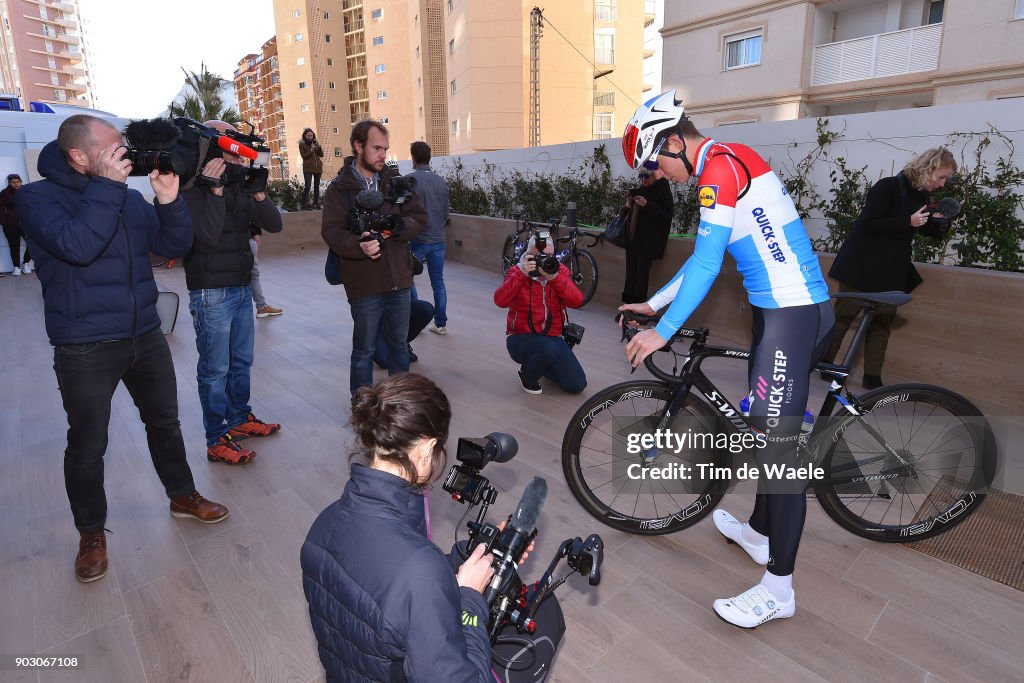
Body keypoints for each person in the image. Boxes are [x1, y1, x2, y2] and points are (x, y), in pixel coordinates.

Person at [619, 91, 834, 628]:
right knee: (767, 433)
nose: (661, 174)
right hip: (778, 310)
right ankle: (761, 533)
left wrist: (662, 331)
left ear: (673, 140)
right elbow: (700, 257)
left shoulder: (719, 167)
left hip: (792, 313)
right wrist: (653, 303)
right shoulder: (723, 160)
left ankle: (779, 589)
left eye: (656, 162)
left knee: (782, 456)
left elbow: (711, 262)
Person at [16, 114, 229, 583]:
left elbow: (173, 245)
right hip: (84, 345)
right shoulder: (35, 199)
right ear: (78, 155)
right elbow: (78, 246)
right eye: (112, 149)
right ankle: (91, 533)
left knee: (166, 425)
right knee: (89, 444)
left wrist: (170, 202)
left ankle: (183, 495)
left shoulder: (129, 198)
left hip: (145, 335)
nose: (123, 156)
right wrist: (109, 189)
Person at [299, 373, 499, 681]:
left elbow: (388, 588)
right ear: (425, 449)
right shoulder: (418, 571)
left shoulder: (323, 524)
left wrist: (460, 558)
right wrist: (470, 599)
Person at [183, 120, 283, 466]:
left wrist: (258, 192)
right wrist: (213, 192)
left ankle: (240, 419)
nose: (242, 154)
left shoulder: (239, 185)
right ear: (213, 148)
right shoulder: (190, 188)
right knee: (215, 370)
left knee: (241, 363)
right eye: (232, 145)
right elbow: (206, 237)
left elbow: (275, 224)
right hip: (211, 292)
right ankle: (215, 438)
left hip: (240, 287)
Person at [825, 148, 957, 389]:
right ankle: (825, 363)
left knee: (882, 322)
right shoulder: (886, 187)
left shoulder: (922, 197)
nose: (942, 183)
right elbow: (868, 224)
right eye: (941, 177)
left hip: (892, 268)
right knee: (842, 318)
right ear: (929, 168)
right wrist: (907, 221)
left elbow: (927, 230)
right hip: (862, 265)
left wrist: (939, 222)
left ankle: (872, 377)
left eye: (946, 179)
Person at [321, 120, 427, 398]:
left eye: (386, 149)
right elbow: (332, 232)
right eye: (377, 148)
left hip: (399, 281)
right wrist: (360, 245)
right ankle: (363, 407)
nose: (383, 155)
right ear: (358, 146)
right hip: (364, 284)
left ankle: (399, 405)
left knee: (399, 347)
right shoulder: (340, 190)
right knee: (364, 350)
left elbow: (419, 218)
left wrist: (397, 227)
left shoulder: (397, 183)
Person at [494, 232, 586, 395]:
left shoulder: (559, 271)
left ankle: (542, 363)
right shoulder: (517, 271)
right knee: (548, 348)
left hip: (551, 337)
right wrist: (522, 274)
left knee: (576, 384)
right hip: (521, 338)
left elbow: (577, 300)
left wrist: (554, 278)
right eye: (540, 256)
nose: (545, 259)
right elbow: (500, 300)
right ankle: (527, 376)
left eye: (549, 255)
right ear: (529, 255)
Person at [408, 141, 451, 335]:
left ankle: (416, 318)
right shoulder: (440, 181)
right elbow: (445, 215)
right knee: (438, 282)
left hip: (418, 240)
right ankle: (440, 323)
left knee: (407, 278)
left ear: (413, 157)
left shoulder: (409, 181)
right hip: (438, 239)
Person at [621, 167, 673, 304]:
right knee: (630, 274)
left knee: (641, 276)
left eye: (647, 176)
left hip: (649, 241)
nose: (643, 179)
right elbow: (624, 215)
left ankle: (637, 309)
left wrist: (647, 205)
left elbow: (666, 215)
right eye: (641, 176)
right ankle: (626, 306)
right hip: (634, 239)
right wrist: (628, 202)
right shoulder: (640, 191)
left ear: (655, 175)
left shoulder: (662, 190)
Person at [374, 295, 434, 368]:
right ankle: (372, 344)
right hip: (374, 312)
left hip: (395, 303)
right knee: (385, 361)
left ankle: (403, 342)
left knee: (426, 309)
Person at [249, 222, 284, 318]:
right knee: (253, 274)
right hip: (245, 237)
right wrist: (255, 232)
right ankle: (261, 306)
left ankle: (261, 306)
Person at [1, 173, 32, 275]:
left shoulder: (26, 191)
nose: (16, 184)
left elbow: (33, 205)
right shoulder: (4, 193)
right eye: (13, 182)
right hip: (10, 224)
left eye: (18, 182)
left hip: (26, 222)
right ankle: (16, 267)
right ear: (9, 183)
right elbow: (0, 209)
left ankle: (26, 263)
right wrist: (3, 222)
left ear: (21, 182)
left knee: (33, 243)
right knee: (14, 246)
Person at [299, 128, 324, 210]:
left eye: (311, 135)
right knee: (308, 186)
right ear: (305, 136)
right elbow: (304, 156)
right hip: (308, 168)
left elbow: (321, 155)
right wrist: (311, 149)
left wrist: (318, 146)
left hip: (317, 168)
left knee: (317, 187)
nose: (310, 137)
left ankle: (315, 204)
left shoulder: (315, 143)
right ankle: (303, 204)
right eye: (308, 135)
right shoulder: (302, 144)